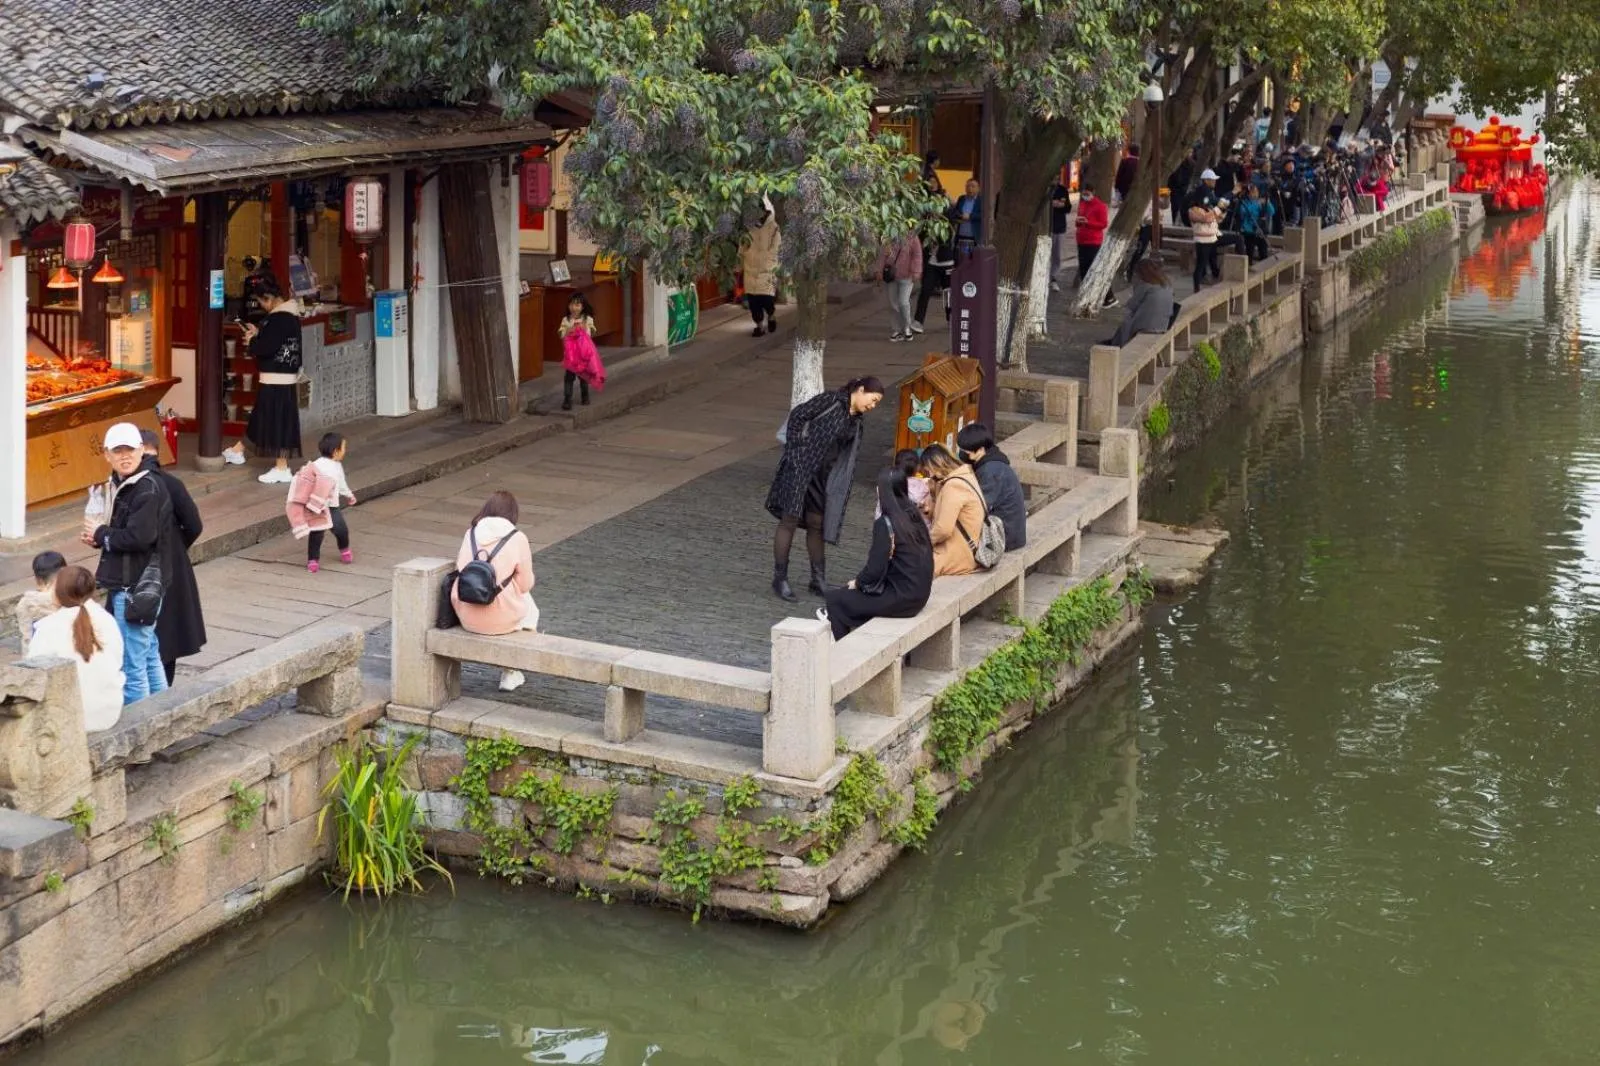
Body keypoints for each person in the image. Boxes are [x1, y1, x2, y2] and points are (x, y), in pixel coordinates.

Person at [765, 377, 886, 601]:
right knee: (789, 520)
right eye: (873, 399)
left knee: (816, 524)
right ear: (861, 390)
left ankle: (817, 579)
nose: (873, 405)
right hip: (800, 468)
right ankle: (780, 578)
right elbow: (799, 414)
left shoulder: (856, 421)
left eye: (877, 402)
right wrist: (796, 450)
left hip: (822, 478)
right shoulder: (831, 400)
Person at [82, 421, 168, 705]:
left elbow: (139, 538)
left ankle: (142, 734)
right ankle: (164, 716)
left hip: (136, 585)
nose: (125, 456)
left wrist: (101, 535)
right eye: (118, 451)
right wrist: (100, 537)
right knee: (148, 653)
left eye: (130, 450)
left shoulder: (145, 488)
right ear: (107, 454)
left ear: (142, 450)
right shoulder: (120, 484)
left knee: (132, 665)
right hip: (135, 582)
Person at [820, 467, 933, 640]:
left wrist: (857, 583)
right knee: (849, 597)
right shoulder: (913, 516)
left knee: (835, 600)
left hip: (902, 597)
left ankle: (842, 655)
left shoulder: (885, 523)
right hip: (920, 593)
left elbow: (875, 568)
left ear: (882, 491)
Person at [452, 491, 538, 692]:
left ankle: (511, 671)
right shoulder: (517, 538)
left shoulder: (470, 534)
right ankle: (511, 672)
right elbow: (525, 585)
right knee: (530, 608)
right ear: (512, 515)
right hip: (500, 620)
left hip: (466, 614)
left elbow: (460, 567)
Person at [139, 429, 205, 686]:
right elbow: (193, 525)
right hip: (170, 567)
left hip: (144, 570)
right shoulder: (172, 483)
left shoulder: (139, 484)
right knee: (168, 635)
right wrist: (177, 547)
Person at [222, 276, 303, 483]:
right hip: (282, 375)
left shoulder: (278, 318)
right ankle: (239, 450)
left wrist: (253, 339)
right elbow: (276, 341)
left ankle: (282, 467)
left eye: (261, 301)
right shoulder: (290, 316)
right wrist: (259, 333)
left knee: (278, 421)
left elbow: (265, 348)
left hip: (276, 377)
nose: (261, 306)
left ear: (268, 298)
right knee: (262, 416)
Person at [27, 566, 125, 731]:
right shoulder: (107, 619)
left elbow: (32, 674)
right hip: (109, 711)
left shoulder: (49, 627)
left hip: (70, 719)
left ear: (58, 594)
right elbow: (117, 660)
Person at [956, 423, 1026, 551]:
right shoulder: (992, 460)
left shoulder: (991, 471)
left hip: (1005, 536)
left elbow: (977, 507)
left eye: (967, 451)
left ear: (981, 449)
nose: (963, 454)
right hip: (1010, 529)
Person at [919, 444, 985, 577]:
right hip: (963, 549)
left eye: (930, 470)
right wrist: (934, 491)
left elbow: (943, 529)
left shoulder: (953, 486)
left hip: (958, 555)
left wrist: (921, 543)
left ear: (939, 463)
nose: (930, 475)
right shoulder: (965, 476)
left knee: (905, 565)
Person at [302, 432, 357, 573]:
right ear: (335, 451)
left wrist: (348, 494)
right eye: (344, 448)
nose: (345, 451)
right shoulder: (315, 465)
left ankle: (342, 550)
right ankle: (313, 559)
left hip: (331, 506)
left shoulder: (336, 466)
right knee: (323, 533)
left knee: (336, 530)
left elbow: (341, 483)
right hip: (319, 507)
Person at [1108, 258, 1177, 347]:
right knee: (1129, 320)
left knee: (1126, 321)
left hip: (1146, 326)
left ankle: (1119, 346)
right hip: (1163, 325)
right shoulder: (1167, 285)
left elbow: (1131, 305)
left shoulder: (1145, 286)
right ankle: (1116, 344)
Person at [740, 205, 782, 337]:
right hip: (750, 269)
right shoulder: (748, 226)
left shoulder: (773, 227)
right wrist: (743, 255)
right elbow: (743, 244)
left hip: (767, 270)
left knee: (766, 299)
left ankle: (771, 315)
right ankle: (759, 326)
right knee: (753, 301)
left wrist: (770, 261)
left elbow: (778, 247)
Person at [1074, 182, 1117, 308]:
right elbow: (1079, 219)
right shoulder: (1082, 204)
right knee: (1083, 269)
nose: (1085, 196)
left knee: (1094, 269)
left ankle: (1109, 296)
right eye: (1083, 194)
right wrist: (1079, 222)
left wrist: (1088, 223)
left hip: (1093, 241)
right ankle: (1087, 295)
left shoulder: (1100, 206)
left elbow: (1103, 224)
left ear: (1093, 193)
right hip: (1081, 240)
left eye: (1087, 194)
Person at [560, 294, 606, 410]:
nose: (574, 308)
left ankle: (585, 396)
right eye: (571, 304)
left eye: (577, 305)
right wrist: (568, 331)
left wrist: (585, 328)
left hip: (583, 354)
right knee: (569, 377)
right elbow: (561, 333)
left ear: (582, 306)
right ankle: (567, 398)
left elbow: (592, 331)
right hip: (571, 355)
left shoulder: (587, 319)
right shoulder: (566, 320)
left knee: (583, 376)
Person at [877, 233, 923, 342]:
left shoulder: (912, 237)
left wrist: (916, 271)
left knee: (903, 302)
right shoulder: (888, 235)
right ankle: (897, 329)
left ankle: (907, 327)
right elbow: (883, 255)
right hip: (891, 275)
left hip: (907, 276)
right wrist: (879, 270)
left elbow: (917, 255)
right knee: (893, 303)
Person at [14, 550, 66, 641]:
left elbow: (27, 638)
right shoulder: (70, 597)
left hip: (39, 652)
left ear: (37, 578)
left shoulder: (25, 604)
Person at [1188, 170, 1224, 293]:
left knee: (1212, 259)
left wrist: (1219, 211)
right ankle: (1196, 288)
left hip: (1213, 237)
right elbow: (1207, 219)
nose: (1214, 182)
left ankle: (1215, 276)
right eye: (1212, 180)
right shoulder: (1194, 210)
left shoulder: (1208, 207)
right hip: (1203, 240)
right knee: (1201, 264)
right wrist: (1218, 209)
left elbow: (1217, 218)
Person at [1125, 189, 1170, 283]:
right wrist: (1151, 219)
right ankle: (1131, 270)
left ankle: (1154, 273)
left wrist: (1167, 198)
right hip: (1147, 227)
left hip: (1158, 227)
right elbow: (1144, 218)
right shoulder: (1147, 202)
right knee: (1140, 249)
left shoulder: (1160, 201)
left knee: (1157, 249)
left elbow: (1165, 206)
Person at [876, 448, 932, 523]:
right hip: (914, 529)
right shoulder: (923, 486)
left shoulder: (886, 482)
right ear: (918, 467)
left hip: (887, 526)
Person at [914, 237, 955, 331]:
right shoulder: (926, 224)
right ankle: (918, 321)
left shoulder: (947, 224)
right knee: (925, 290)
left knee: (949, 293)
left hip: (947, 262)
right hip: (931, 263)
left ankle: (951, 318)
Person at [1236, 184, 1271, 261]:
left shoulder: (1261, 202)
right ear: (1248, 194)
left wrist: (1267, 203)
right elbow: (1243, 213)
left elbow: (1271, 211)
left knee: (1263, 252)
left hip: (1260, 229)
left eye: (1256, 191)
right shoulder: (1244, 203)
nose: (1255, 193)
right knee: (1249, 252)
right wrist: (1256, 204)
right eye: (1253, 192)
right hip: (1249, 231)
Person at [1049, 179, 1071, 291]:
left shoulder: (1063, 190)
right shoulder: (1045, 189)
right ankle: (1044, 277)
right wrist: (1051, 204)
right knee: (1046, 254)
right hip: (1047, 227)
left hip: (1060, 227)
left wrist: (1061, 205)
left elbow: (1068, 207)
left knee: (1057, 255)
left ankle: (1053, 278)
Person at [951, 179, 982, 254]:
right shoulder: (961, 198)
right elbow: (955, 212)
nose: (970, 189)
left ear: (978, 188)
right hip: (961, 236)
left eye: (973, 186)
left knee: (972, 261)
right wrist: (960, 216)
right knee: (960, 260)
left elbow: (983, 215)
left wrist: (970, 216)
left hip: (974, 237)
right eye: (968, 186)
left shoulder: (981, 201)